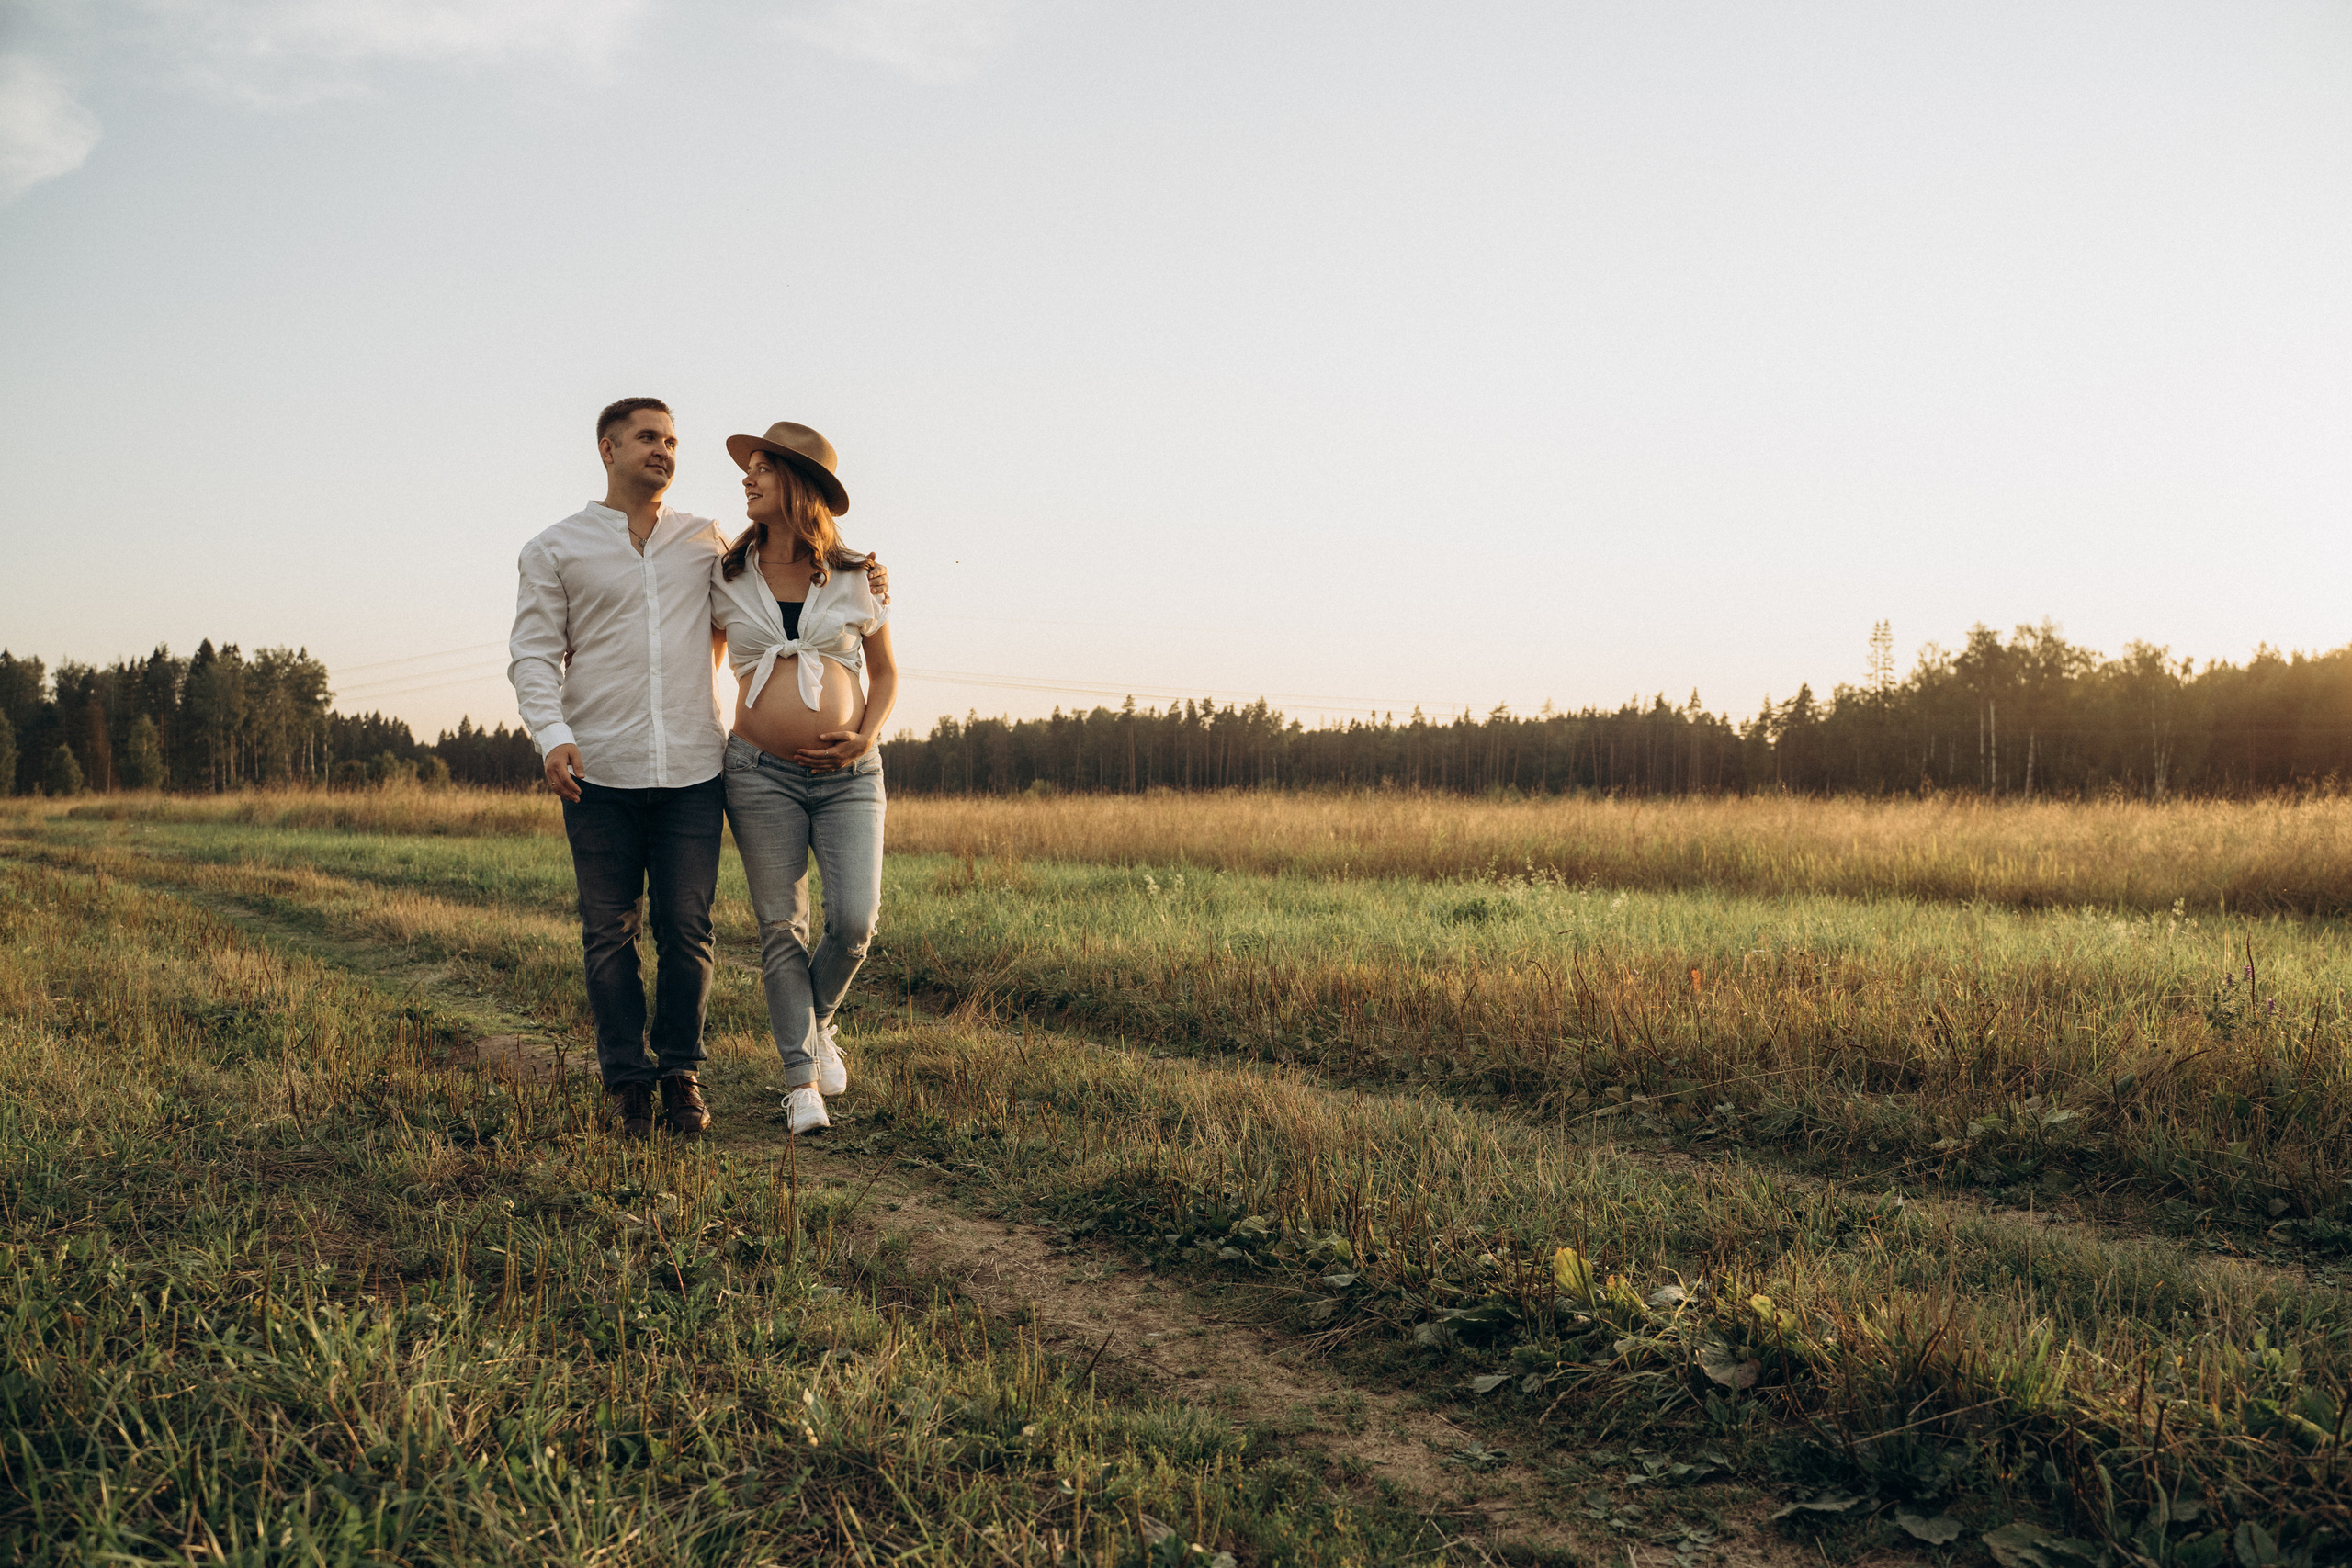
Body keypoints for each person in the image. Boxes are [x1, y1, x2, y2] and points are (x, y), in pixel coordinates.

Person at [509, 399, 887, 1140]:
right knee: (608, 932)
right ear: (607, 448)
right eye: (648, 437)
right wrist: (551, 735)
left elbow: (770, 595)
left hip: (691, 768)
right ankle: (627, 1081)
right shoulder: (555, 548)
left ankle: (680, 1071)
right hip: (599, 768)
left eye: (673, 440)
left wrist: (862, 573)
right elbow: (532, 653)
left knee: (688, 931)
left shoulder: (704, 543)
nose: (665, 449)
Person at [709, 422, 896, 1137]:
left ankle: (818, 1025)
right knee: (781, 928)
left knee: (853, 923)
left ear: (799, 484)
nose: (748, 478)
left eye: (763, 468)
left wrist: (866, 734)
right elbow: (695, 656)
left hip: (852, 776)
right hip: (758, 774)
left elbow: (885, 674)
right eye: (749, 467)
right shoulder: (725, 576)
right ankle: (801, 1082)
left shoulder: (855, 574)